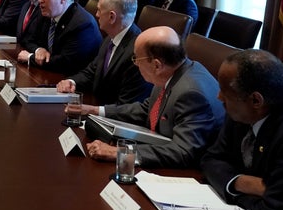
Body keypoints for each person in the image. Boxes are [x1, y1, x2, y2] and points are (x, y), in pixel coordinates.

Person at [72, 26, 224, 167]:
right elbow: (148, 109)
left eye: (137, 59)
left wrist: (120, 153)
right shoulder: (172, 72)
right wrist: (95, 111)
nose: (136, 64)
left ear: (157, 65)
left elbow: (183, 151)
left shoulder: (191, 94)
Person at [201, 50, 283, 210]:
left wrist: (236, 197)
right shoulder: (242, 111)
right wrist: (242, 183)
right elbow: (210, 160)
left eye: (226, 92)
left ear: (256, 100)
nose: (219, 97)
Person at [57, 0, 152, 105]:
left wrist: (93, 111)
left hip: (115, 118)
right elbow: (93, 71)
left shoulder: (138, 52)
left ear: (112, 17)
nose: (96, 15)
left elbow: (127, 105)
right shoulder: (110, 38)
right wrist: (72, 81)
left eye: (99, 10)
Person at [17, 0, 102, 74]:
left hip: (72, 81)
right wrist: (39, 50)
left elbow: (65, 63)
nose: (40, 0)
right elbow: (28, 39)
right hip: (48, 75)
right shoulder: (46, 13)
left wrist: (30, 57)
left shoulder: (82, 24)